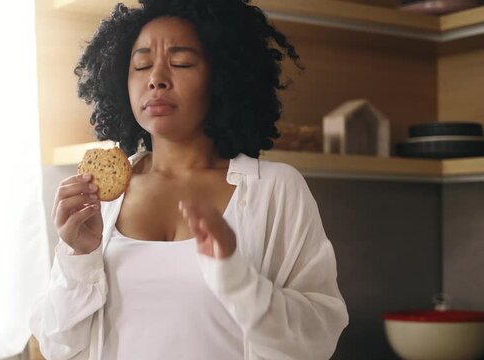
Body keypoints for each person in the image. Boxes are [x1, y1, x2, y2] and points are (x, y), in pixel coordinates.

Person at [29, 0, 349, 359]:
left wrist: (238, 279)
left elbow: (318, 338)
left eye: (181, 62)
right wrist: (78, 256)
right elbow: (58, 346)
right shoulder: (99, 200)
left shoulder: (275, 190)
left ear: (222, 75)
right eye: (141, 65)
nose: (156, 78)